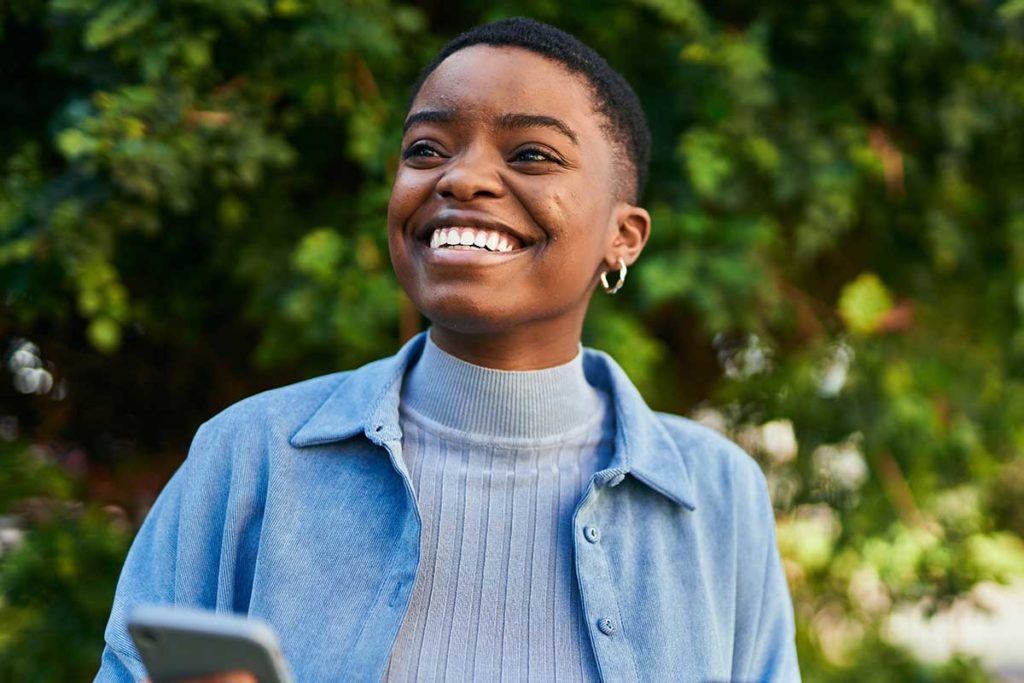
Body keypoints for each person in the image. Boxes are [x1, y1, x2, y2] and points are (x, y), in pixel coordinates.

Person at [96, 17, 800, 683]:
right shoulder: (251, 455)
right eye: (426, 149)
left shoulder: (715, 492)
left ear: (625, 236)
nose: (460, 179)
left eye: (532, 154)